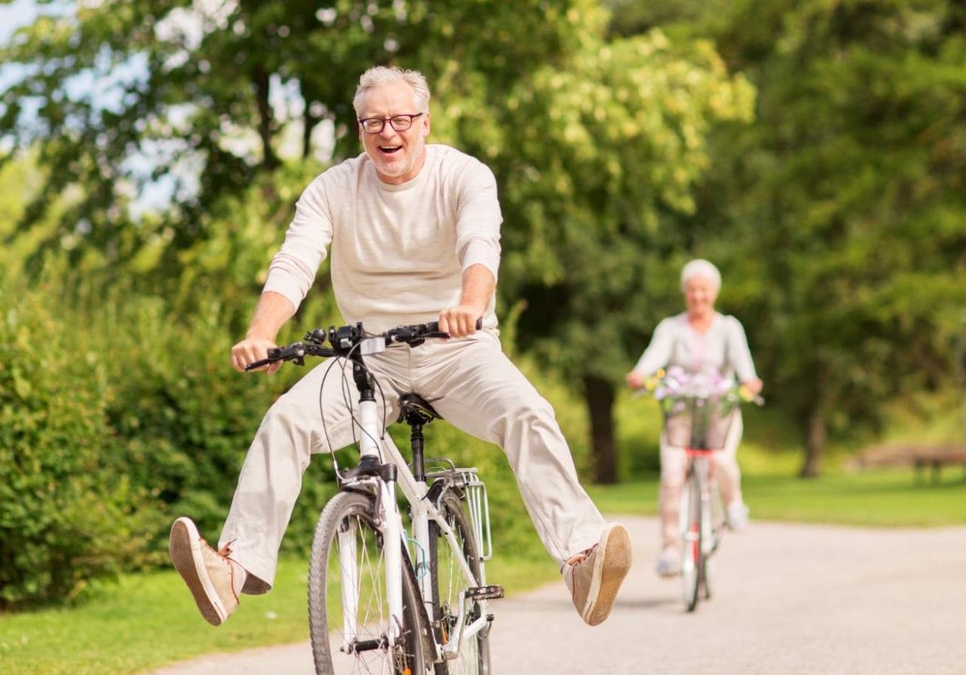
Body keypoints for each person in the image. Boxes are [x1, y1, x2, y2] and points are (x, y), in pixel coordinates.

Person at [168, 65, 633, 628]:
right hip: (369, 358)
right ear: (359, 129)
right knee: (285, 421)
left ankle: (581, 560)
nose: (388, 132)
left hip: (459, 349)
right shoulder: (333, 187)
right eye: (374, 122)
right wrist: (261, 333)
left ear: (424, 123)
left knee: (529, 413)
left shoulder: (464, 175)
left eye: (400, 119)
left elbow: (480, 245)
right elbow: (295, 262)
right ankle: (232, 572)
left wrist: (470, 304)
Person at [625, 258, 763, 577]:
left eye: (703, 290)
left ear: (713, 292)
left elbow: (744, 366)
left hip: (720, 412)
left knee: (722, 460)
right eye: (691, 290)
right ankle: (670, 548)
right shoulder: (671, 328)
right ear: (684, 293)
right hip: (681, 413)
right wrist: (640, 373)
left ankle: (733, 504)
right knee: (673, 475)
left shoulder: (729, 327)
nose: (697, 296)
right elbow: (653, 356)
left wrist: (750, 381)